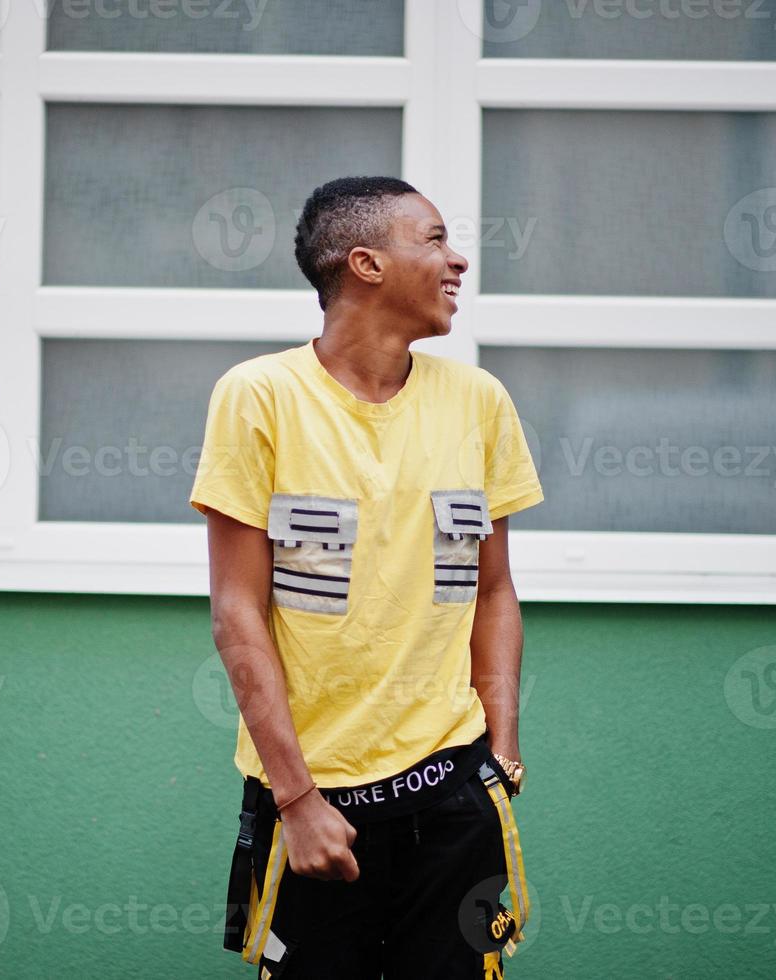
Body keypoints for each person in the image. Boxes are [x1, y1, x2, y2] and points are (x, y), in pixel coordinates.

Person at [189, 175, 544, 979]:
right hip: (313, 802)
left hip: (454, 791)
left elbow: (494, 591)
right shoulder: (259, 398)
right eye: (433, 239)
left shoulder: (479, 402)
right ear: (365, 264)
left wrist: (502, 755)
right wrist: (296, 801)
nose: (457, 261)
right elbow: (236, 611)